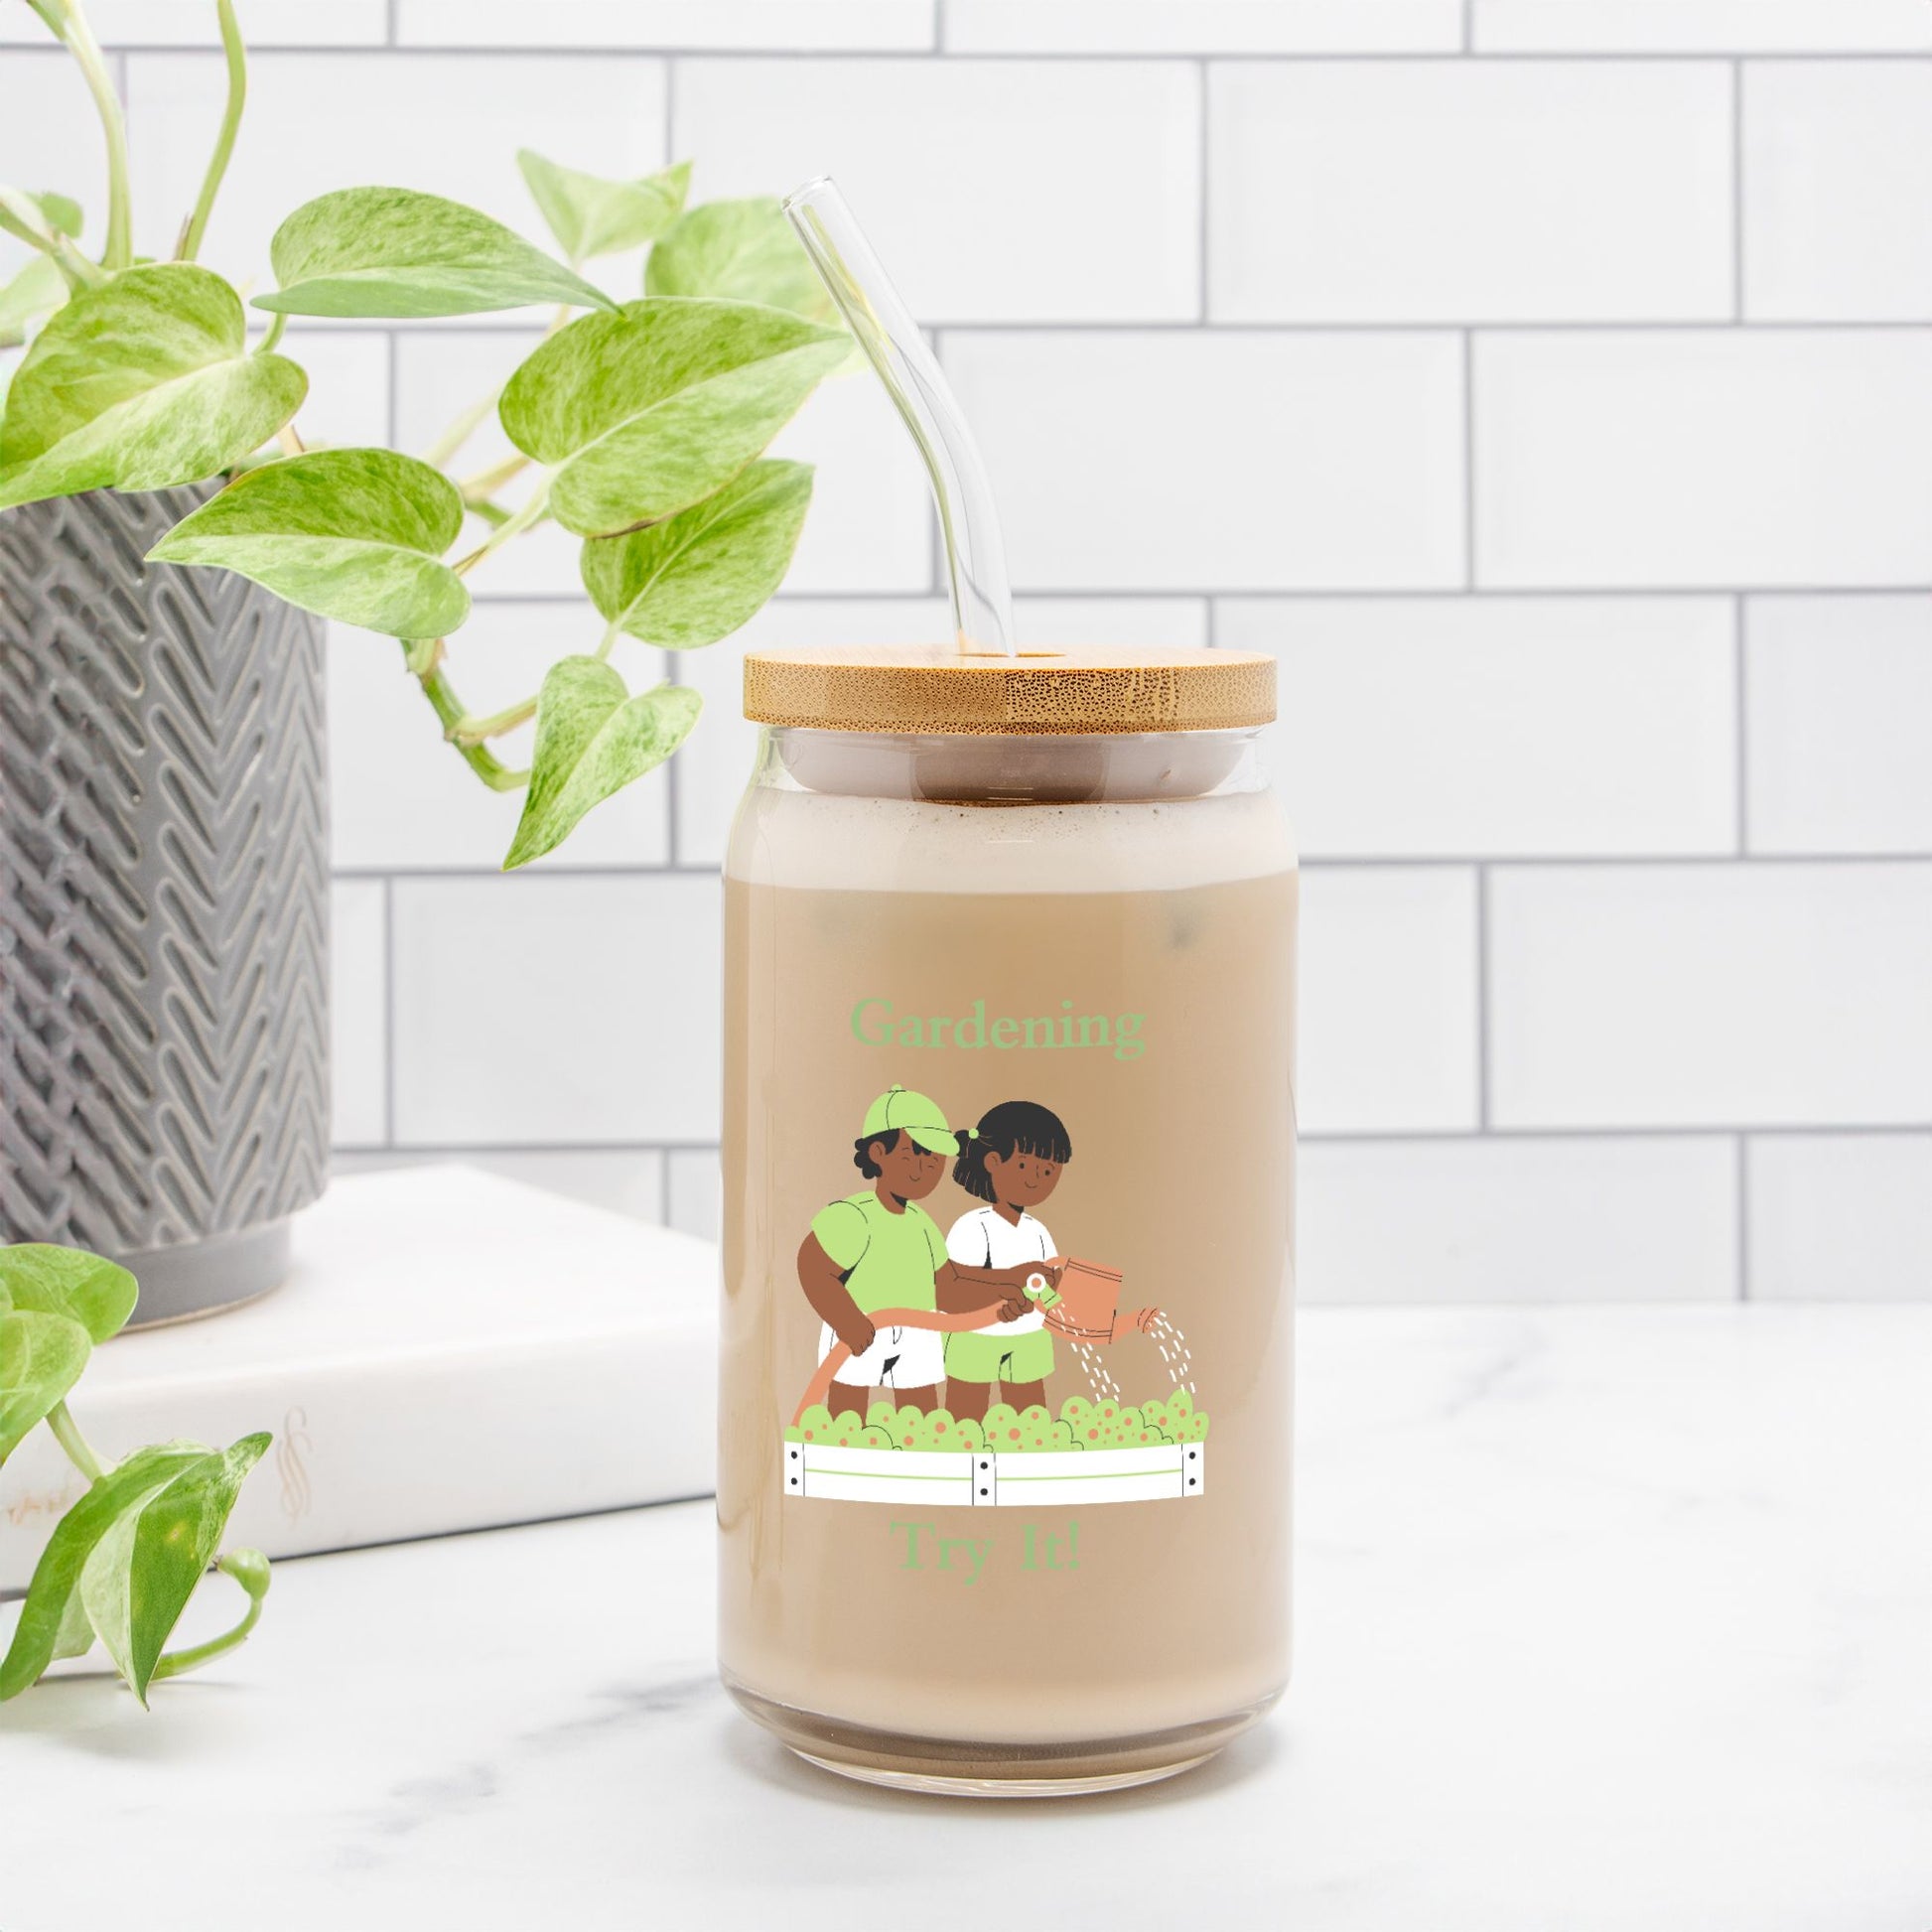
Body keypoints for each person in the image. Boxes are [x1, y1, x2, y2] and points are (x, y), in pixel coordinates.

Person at [796, 1087, 1057, 1424]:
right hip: (860, 1325)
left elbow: (949, 1288)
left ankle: (921, 1468)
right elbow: (813, 1267)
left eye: (936, 1158)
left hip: (917, 1333)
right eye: (916, 1153)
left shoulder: (923, 1225)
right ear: (878, 1152)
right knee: (847, 1410)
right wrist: (846, 1320)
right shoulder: (853, 1216)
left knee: (921, 1417)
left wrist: (1001, 1297)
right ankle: (843, 1461)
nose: (929, 1166)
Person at [942, 1100, 1071, 1423]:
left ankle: (1027, 1465)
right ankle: (962, 1464)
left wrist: (1051, 1282)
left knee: (1030, 1413)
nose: (1036, 1179)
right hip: (975, 1334)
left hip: (1027, 1335)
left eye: (1048, 1171)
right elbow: (953, 1280)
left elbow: (1052, 1273)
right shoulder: (974, 1225)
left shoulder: (1037, 1231)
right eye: (1025, 1166)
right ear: (993, 1162)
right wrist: (1009, 1282)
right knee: (966, 1414)